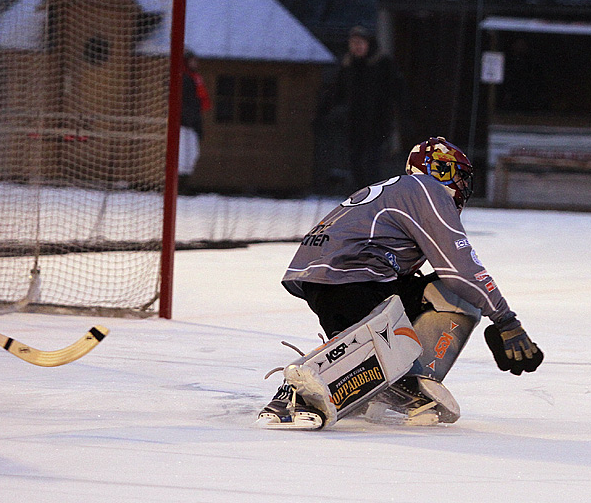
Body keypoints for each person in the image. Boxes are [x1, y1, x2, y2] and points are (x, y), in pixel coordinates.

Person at [257, 136, 543, 430]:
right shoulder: (427, 190)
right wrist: (507, 321)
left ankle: (392, 383)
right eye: (460, 176)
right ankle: (302, 391)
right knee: (459, 295)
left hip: (335, 278)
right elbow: (461, 269)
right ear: (442, 170)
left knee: (413, 320)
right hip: (354, 276)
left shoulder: (398, 190)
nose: (464, 187)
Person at [328, 25, 404, 190]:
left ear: (368, 44)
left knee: (372, 163)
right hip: (354, 123)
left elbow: (397, 91)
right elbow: (336, 93)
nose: (357, 46)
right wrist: (326, 112)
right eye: (354, 43)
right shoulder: (347, 66)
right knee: (355, 162)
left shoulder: (383, 64)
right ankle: (361, 195)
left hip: (377, 123)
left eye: (360, 43)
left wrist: (398, 115)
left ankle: (373, 196)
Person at [178, 49, 211, 195]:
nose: (195, 63)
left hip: (192, 123)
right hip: (184, 124)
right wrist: (189, 120)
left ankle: (182, 186)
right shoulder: (183, 78)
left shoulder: (194, 77)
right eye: (192, 60)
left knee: (191, 156)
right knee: (183, 156)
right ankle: (178, 187)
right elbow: (185, 104)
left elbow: (198, 104)